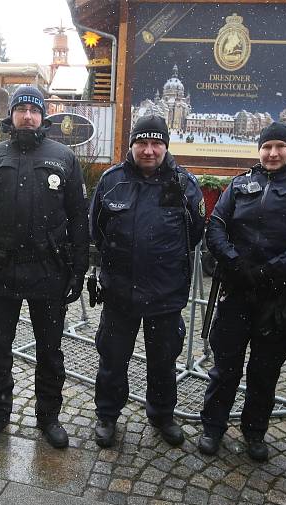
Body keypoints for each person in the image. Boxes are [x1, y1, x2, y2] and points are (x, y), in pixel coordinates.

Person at [199, 122, 286, 461]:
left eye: (279, 147)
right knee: (225, 368)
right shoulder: (240, 184)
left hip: (278, 298)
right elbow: (215, 226)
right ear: (259, 149)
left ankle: (254, 431)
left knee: (264, 371)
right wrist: (236, 262)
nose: (273, 153)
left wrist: (276, 268)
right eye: (267, 147)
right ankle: (212, 427)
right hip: (238, 291)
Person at [0, 85, 89, 448]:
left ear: (43, 116)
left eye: (34, 110)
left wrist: (78, 269)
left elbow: (78, 218)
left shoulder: (63, 157)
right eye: (21, 109)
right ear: (12, 115)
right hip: (0, 271)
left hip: (48, 271)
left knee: (50, 351)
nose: (27, 116)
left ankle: (49, 416)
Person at [89, 115, 205, 448]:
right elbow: (95, 229)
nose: (149, 150)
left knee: (163, 363)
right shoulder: (112, 181)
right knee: (112, 361)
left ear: (166, 146)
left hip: (165, 294)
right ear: (132, 145)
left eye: (156, 143)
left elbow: (196, 231)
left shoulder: (184, 184)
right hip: (119, 293)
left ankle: (162, 416)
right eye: (142, 143)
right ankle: (108, 416)